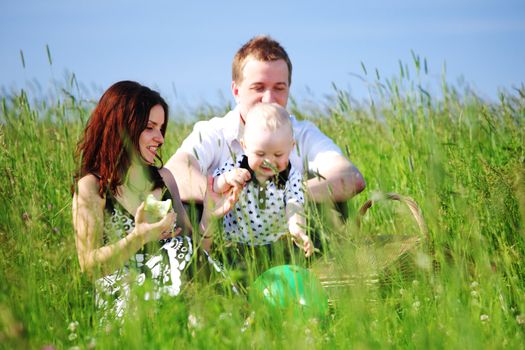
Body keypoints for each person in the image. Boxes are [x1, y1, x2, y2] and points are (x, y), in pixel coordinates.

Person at [165, 35, 365, 224]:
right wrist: (221, 193)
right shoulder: (214, 132)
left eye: (279, 88)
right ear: (236, 91)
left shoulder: (303, 133)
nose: (269, 99)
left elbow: (350, 178)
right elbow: (174, 173)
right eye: (258, 87)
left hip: (290, 233)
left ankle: (319, 260)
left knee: (333, 202)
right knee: (184, 206)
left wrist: (285, 197)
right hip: (223, 231)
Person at [72, 80, 196, 317]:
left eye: (161, 128)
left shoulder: (164, 179)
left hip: (175, 296)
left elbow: (191, 246)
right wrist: (139, 237)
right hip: (124, 304)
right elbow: (88, 267)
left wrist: (213, 213)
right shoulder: (92, 187)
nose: (159, 138)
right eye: (150, 127)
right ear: (122, 127)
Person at [209, 103, 313, 258]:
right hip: (237, 245)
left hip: (277, 245)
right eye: (260, 153)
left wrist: (297, 229)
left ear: (291, 147)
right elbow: (215, 186)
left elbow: (294, 204)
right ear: (244, 146)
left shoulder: (290, 175)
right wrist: (226, 178)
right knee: (237, 276)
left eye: (278, 155)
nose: (269, 161)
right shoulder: (236, 166)